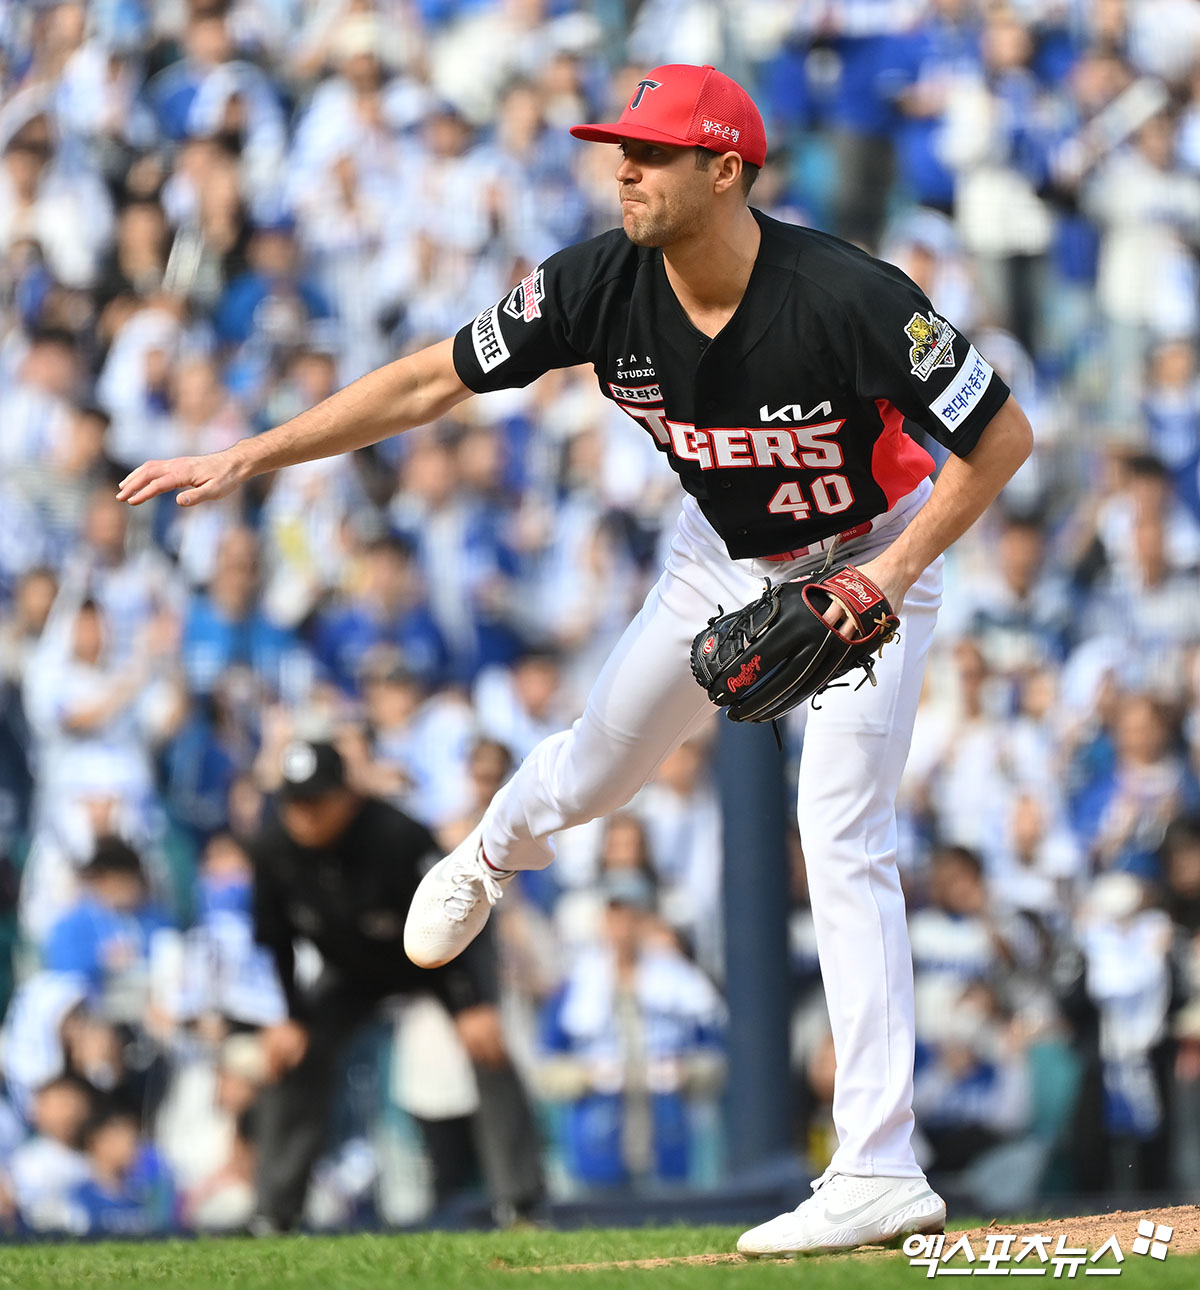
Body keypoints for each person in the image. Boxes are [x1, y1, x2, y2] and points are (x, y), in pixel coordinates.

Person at [117, 63, 1033, 1254]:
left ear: (728, 170)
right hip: (719, 557)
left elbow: (1001, 435)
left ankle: (877, 1166)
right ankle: (495, 847)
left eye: (652, 151)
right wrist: (253, 454)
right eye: (620, 147)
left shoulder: (848, 295)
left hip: (870, 556)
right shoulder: (600, 282)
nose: (625, 168)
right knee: (602, 767)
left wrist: (889, 576)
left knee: (842, 832)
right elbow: (427, 380)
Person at [246, 739, 542, 1231]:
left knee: (488, 1046)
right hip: (353, 970)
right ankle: (273, 1214)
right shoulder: (273, 847)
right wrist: (291, 1018)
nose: (305, 816)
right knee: (294, 1056)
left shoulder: (396, 834)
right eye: (294, 802)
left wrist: (474, 1002)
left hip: (442, 960)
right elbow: (275, 940)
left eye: (317, 801)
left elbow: (461, 910)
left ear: (348, 795)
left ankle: (521, 1203)